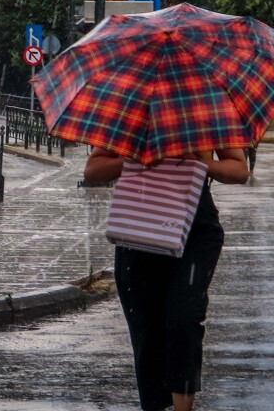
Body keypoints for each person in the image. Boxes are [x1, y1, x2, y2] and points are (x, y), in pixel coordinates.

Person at [84, 147, 250, 411]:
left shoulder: (202, 120)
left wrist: (197, 164)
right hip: (139, 230)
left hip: (194, 230)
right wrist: (135, 159)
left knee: (184, 318)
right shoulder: (131, 120)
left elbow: (239, 170)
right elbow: (93, 170)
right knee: (146, 328)